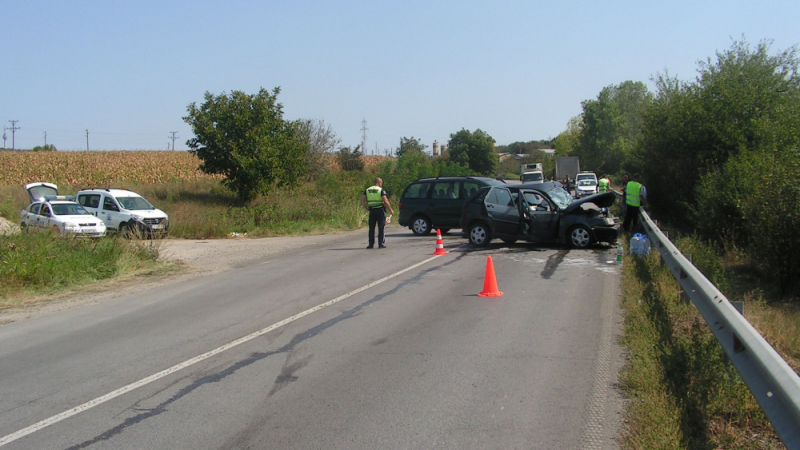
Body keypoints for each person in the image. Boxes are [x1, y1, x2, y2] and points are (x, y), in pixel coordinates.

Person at [361, 177, 394, 249]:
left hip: (372, 211)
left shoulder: (367, 190)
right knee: (381, 227)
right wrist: (390, 210)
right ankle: (380, 244)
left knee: (371, 228)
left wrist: (365, 207)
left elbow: (362, 199)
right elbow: (385, 201)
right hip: (380, 210)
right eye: (381, 183)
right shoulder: (380, 190)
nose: (381, 184)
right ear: (379, 183)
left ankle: (371, 244)